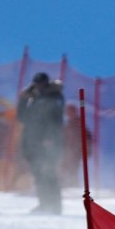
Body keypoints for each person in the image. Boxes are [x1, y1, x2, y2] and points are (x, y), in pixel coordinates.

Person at [16, 72, 65, 214]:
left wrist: (50, 138)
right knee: (39, 175)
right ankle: (44, 204)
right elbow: (23, 117)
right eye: (36, 85)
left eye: (42, 84)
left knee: (48, 173)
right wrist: (24, 99)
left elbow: (55, 120)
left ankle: (54, 206)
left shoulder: (54, 97)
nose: (39, 87)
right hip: (34, 143)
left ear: (47, 84)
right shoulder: (37, 100)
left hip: (49, 144)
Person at [60, 103, 93, 188]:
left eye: (70, 112)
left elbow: (88, 139)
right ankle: (68, 186)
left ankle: (72, 187)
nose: (68, 114)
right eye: (67, 112)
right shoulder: (69, 124)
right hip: (67, 152)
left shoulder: (79, 124)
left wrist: (87, 152)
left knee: (71, 170)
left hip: (75, 152)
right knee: (65, 170)